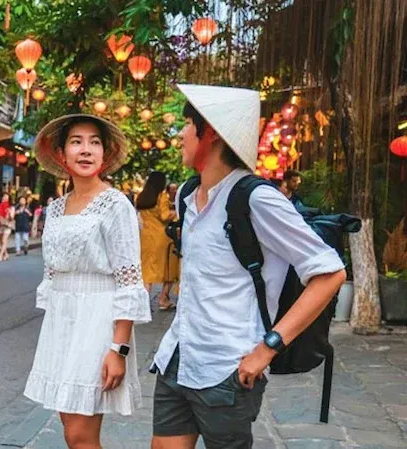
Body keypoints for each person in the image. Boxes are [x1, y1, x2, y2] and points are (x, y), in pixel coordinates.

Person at [150, 84, 346, 449]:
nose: (179, 134)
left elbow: (330, 272)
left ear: (209, 133)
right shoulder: (187, 195)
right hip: (178, 356)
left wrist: (268, 348)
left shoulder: (257, 199)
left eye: (186, 124)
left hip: (227, 369)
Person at [24, 114, 152, 448]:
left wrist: (118, 349)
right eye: (76, 141)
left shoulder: (115, 205)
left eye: (94, 142)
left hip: (98, 322)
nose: (86, 150)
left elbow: (129, 280)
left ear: (105, 154)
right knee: (69, 425)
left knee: (80, 434)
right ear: (61, 153)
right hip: (62, 323)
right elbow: (52, 272)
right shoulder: (55, 208)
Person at [136, 171, 176, 310]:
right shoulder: (162, 197)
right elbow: (165, 216)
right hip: (161, 237)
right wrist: (175, 214)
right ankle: (163, 299)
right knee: (170, 269)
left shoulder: (142, 197)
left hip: (145, 237)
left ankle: (143, 302)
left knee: (147, 270)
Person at [0, 194, 14, 262]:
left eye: (6, 197)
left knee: (4, 240)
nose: (4, 198)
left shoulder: (11, 207)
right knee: (1, 241)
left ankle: (0, 255)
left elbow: (12, 218)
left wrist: (9, 213)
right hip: (0, 225)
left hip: (7, 225)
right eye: (4, 197)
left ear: (9, 199)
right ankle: (6, 254)